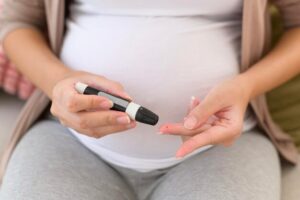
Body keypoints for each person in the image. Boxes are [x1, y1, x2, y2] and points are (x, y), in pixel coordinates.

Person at [0, 0, 300, 199]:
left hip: (223, 151)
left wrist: (246, 86)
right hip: (70, 143)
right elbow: (16, 20)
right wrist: (58, 85)